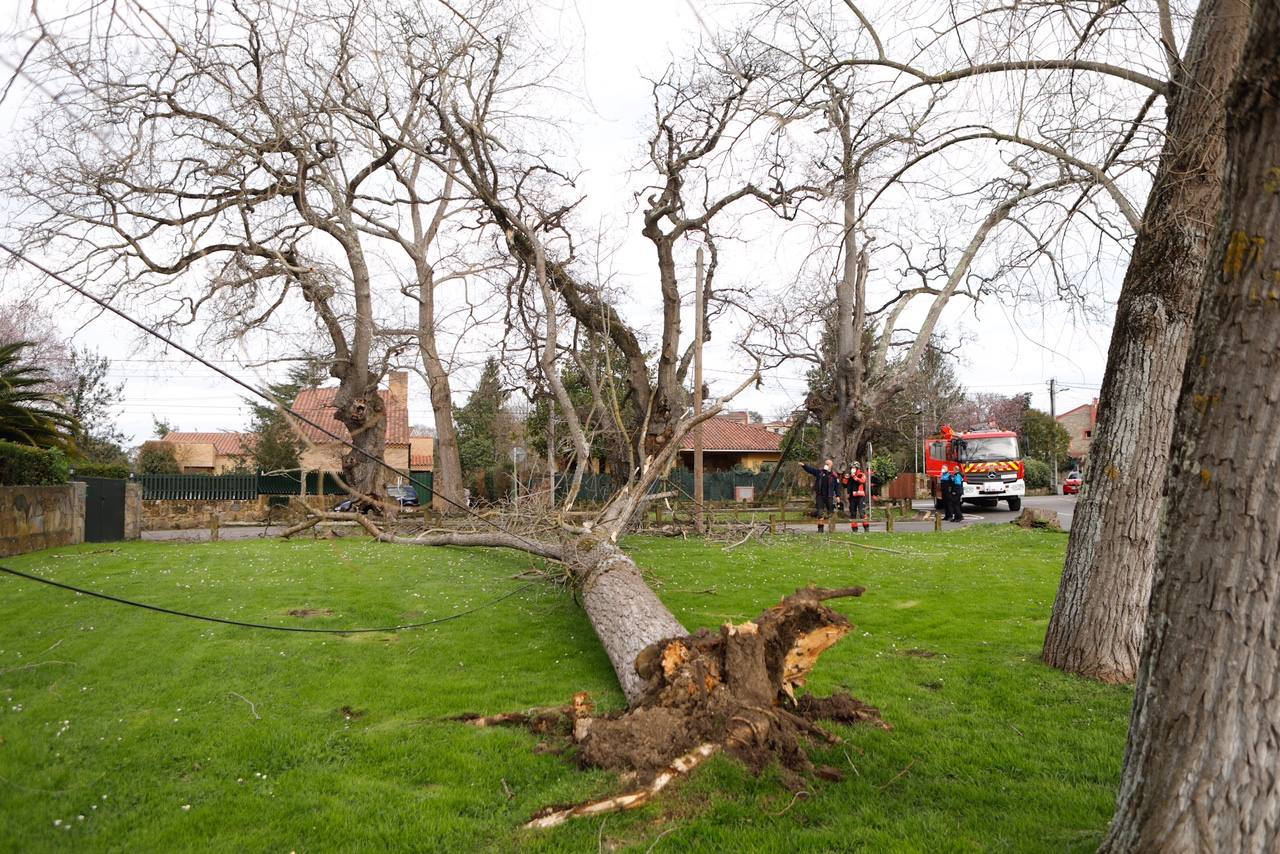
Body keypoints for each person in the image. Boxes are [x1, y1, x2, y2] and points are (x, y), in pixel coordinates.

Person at [801, 458, 840, 533]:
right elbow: (811, 470)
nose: (826, 465)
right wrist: (804, 465)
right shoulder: (820, 473)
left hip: (829, 496)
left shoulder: (834, 476)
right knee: (820, 512)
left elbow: (837, 487)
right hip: (820, 496)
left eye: (828, 464)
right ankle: (820, 529)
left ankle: (831, 528)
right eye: (826, 464)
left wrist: (838, 496)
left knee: (830, 512)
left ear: (831, 465)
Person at [846, 463, 869, 532]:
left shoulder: (861, 474)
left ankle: (866, 527)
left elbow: (862, 481)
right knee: (853, 513)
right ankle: (854, 529)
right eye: (851, 468)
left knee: (862, 513)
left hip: (860, 496)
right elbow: (845, 484)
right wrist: (845, 478)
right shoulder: (850, 476)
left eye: (854, 468)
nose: (852, 469)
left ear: (857, 468)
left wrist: (854, 477)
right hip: (852, 497)